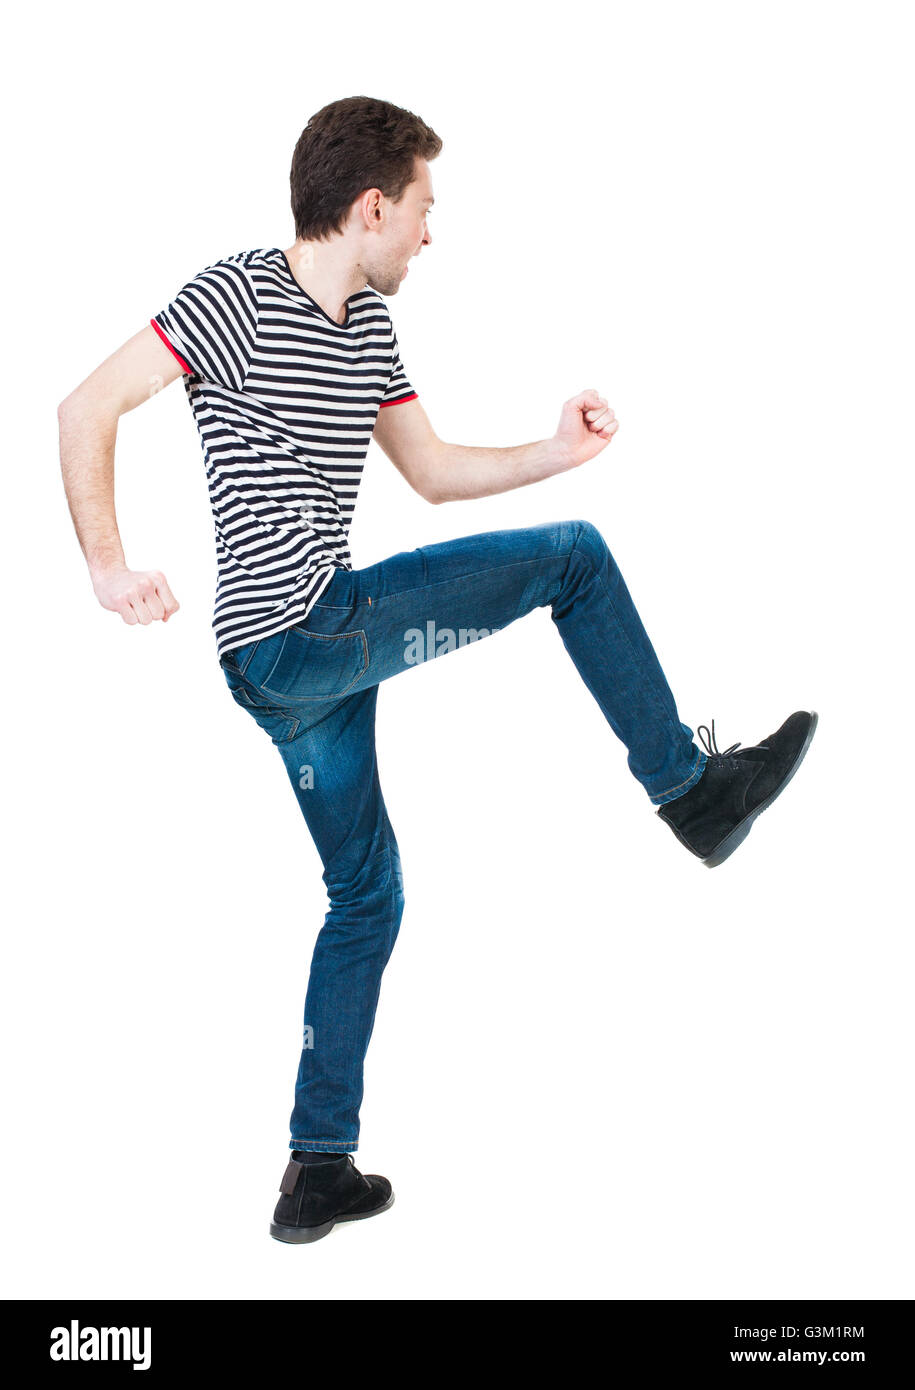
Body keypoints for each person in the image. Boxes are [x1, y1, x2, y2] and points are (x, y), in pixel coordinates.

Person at [58, 95, 817, 1245]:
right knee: (575, 560)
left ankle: (316, 1167)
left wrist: (556, 450)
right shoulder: (231, 296)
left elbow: (430, 471)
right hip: (304, 630)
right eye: (423, 208)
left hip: (287, 671)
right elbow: (86, 406)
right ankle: (690, 790)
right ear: (372, 207)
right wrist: (109, 567)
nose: (429, 232)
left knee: (367, 896)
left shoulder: (368, 327)